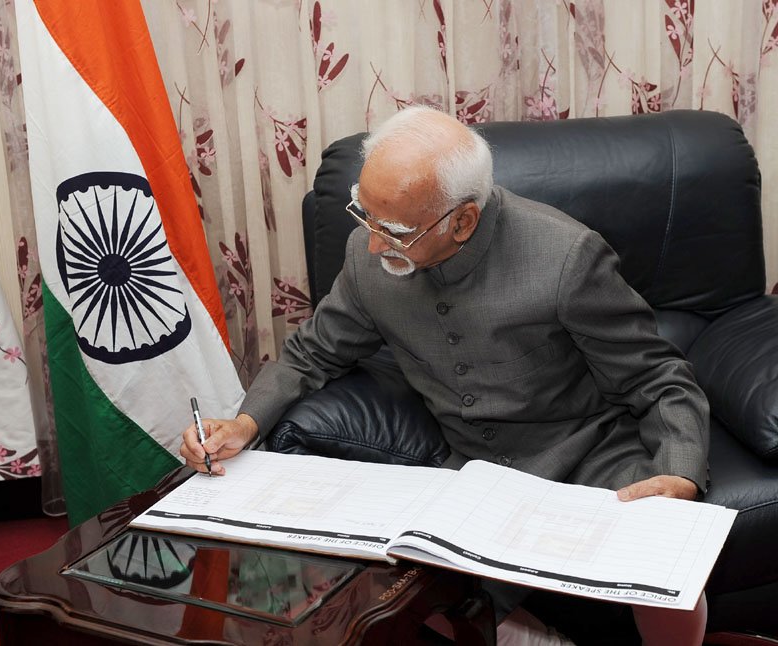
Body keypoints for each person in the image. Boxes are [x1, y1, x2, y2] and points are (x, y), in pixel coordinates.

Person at [181, 106, 710, 645]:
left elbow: (658, 376)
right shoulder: (370, 261)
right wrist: (244, 424)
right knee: (396, 604)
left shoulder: (565, 257)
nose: (373, 245)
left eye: (394, 229)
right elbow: (311, 353)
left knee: (668, 564)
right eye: (365, 216)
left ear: (462, 221)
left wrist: (682, 473)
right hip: (469, 471)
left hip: (586, 452)